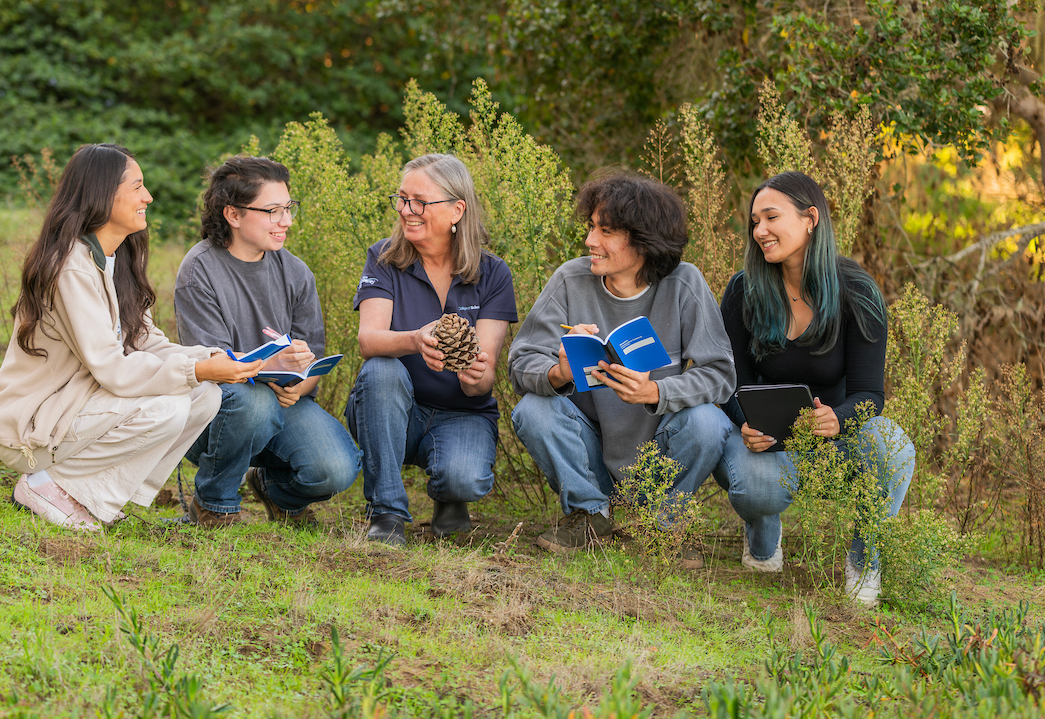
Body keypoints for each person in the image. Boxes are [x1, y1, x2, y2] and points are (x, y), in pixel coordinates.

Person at [0, 143, 261, 530]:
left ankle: (91, 493)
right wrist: (195, 369)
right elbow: (113, 369)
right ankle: (47, 485)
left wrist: (214, 358)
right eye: (137, 187)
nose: (148, 196)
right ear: (102, 193)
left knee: (205, 395)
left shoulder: (117, 259)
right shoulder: (71, 268)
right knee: (170, 407)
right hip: (34, 430)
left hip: (78, 409)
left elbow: (146, 341)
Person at [508, 169, 735, 554]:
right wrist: (559, 371)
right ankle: (589, 516)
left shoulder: (685, 283)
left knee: (709, 421)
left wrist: (656, 391)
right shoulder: (570, 279)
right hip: (590, 453)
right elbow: (521, 361)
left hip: (660, 452)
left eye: (606, 231)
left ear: (644, 241)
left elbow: (720, 375)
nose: (589, 240)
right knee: (534, 410)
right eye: (591, 227)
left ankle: (666, 528)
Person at [715, 170, 915, 607]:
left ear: (810, 219)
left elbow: (870, 395)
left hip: (835, 439)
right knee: (755, 486)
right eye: (754, 222)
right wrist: (744, 422)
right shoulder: (743, 290)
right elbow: (730, 382)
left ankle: (866, 564)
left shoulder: (856, 290)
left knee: (893, 447)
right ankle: (763, 539)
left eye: (771, 217)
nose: (760, 231)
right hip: (767, 443)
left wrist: (837, 419)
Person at [173, 156, 361, 528]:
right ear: (234, 214)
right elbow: (215, 368)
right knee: (253, 403)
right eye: (273, 211)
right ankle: (214, 504)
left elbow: (313, 359)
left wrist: (301, 385)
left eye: (289, 208)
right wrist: (274, 371)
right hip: (216, 412)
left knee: (336, 469)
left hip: (282, 402)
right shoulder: (199, 271)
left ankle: (273, 488)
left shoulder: (296, 272)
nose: (287, 221)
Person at [346, 153, 518, 547]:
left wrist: (476, 375)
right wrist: (413, 340)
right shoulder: (385, 257)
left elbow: (484, 380)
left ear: (457, 209)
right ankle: (387, 512)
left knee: (465, 478)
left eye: (420, 202)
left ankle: (449, 495)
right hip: (393, 408)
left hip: (462, 412)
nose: (407, 211)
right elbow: (368, 340)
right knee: (380, 370)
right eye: (402, 199)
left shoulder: (493, 274)